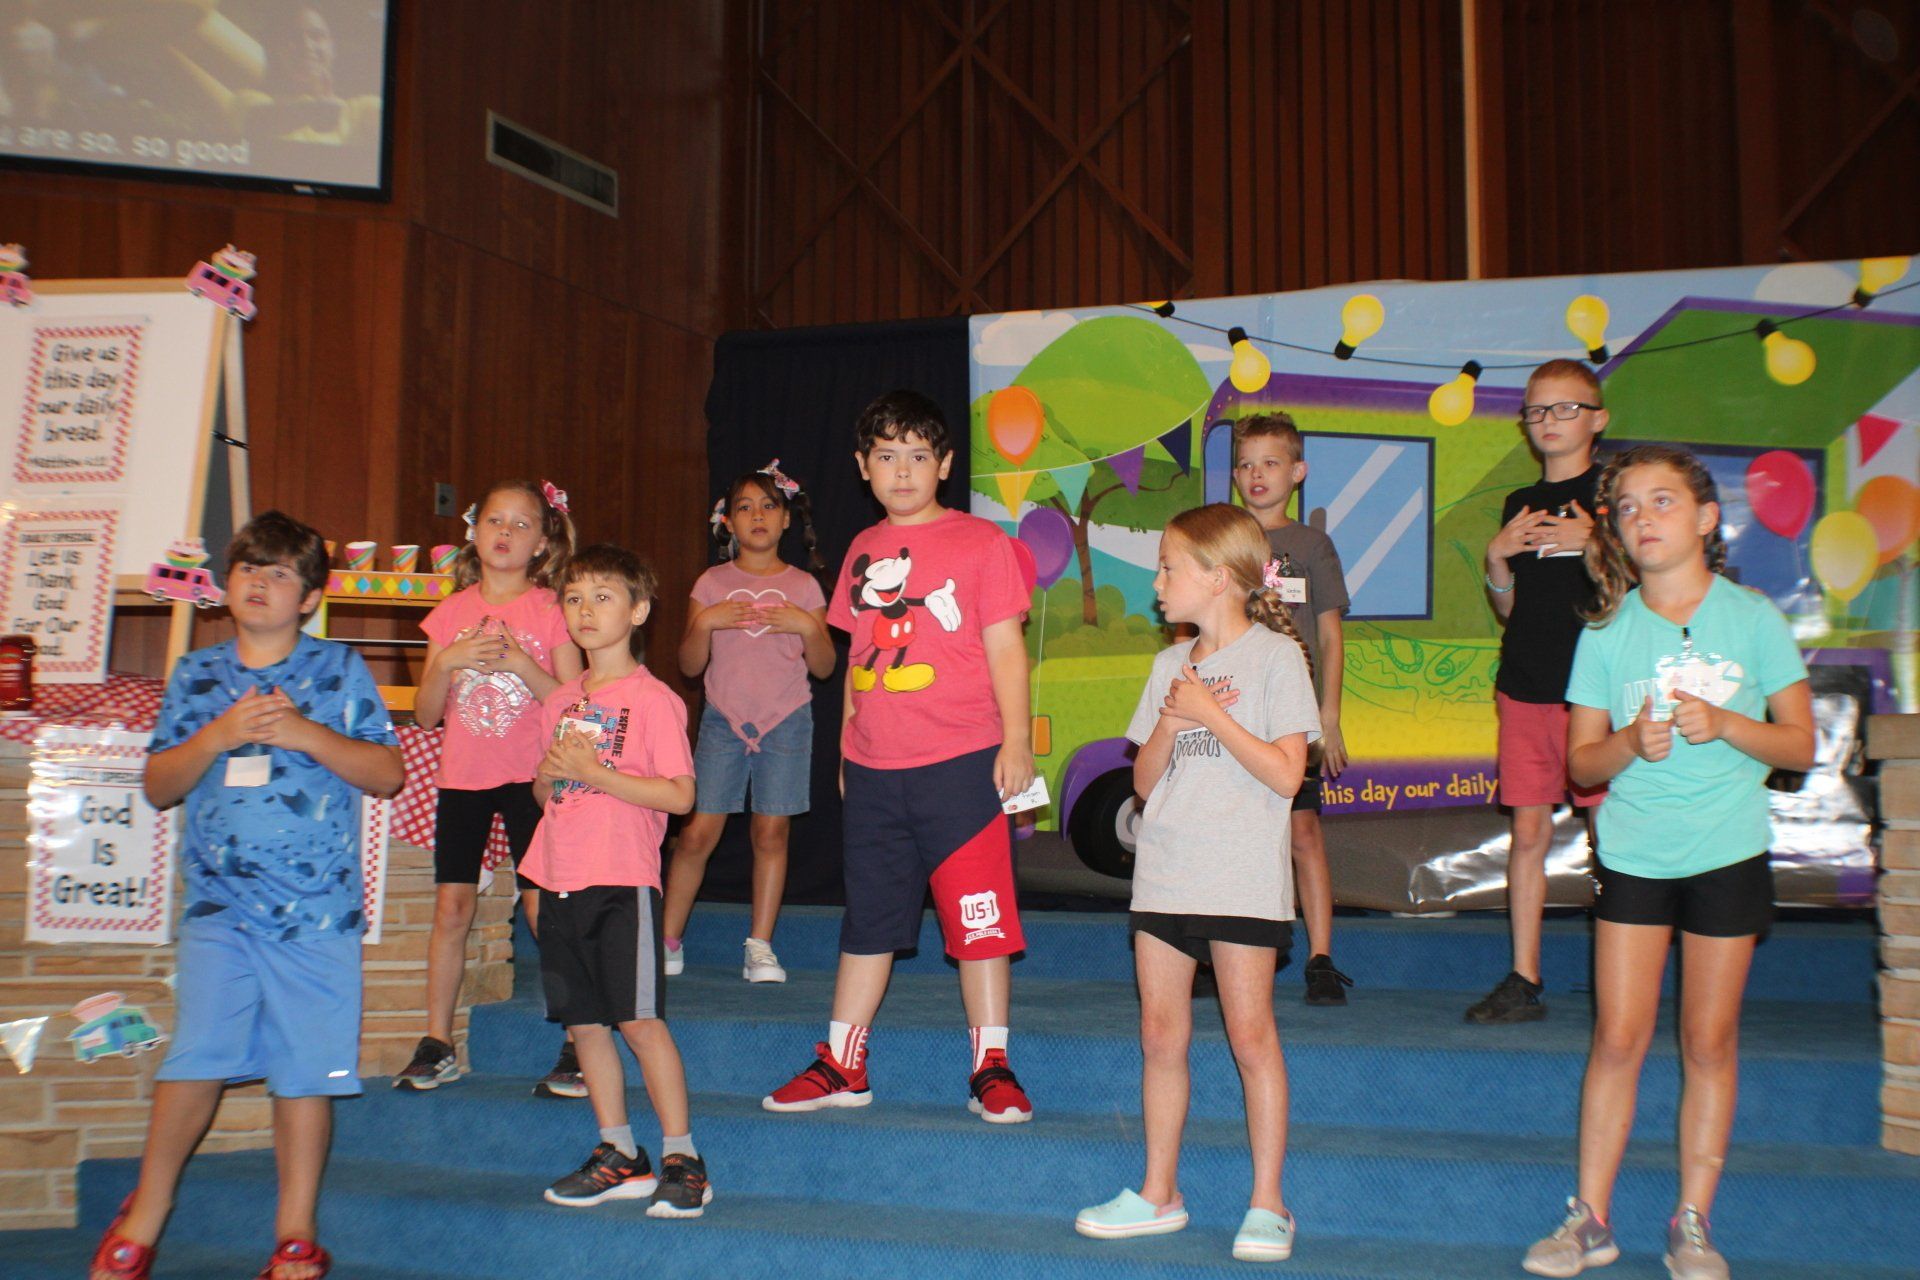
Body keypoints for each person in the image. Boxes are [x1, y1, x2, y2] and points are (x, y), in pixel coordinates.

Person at [1522, 445, 1813, 1279]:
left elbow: (1801, 743)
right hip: (1635, 859)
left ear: (1709, 519)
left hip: (1728, 855)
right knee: (1618, 1036)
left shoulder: (1754, 618)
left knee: (1708, 1039)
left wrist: (1724, 724)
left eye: (1663, 501)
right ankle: (1590, 1219)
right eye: (1628, 506)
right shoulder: (1609, 631)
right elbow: (1580, 765)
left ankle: (1692, 1224)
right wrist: (1626, 742)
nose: (1643, 517)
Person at [93, 512, 404, 1280]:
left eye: (280, 573)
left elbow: (387, 774)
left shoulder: (338, 670)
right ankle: (144, 1216)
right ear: (227, 582)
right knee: (194, 1059)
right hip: (219, 913)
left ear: (308, 598)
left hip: (316, 914)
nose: (260, 583)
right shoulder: (198, 675)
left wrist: (306, 734)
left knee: (305, 1072)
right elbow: (159, 786)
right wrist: (218, 736)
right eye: (248, 568)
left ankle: (295, 1235)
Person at [762, 389, 1037, 1123]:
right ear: (863, 466)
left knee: (978, 923)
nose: (903, 470)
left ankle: (992, 1065)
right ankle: (843, 1062)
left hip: (964, 764)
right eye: (887, 456)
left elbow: (1006, 648)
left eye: (919, 456)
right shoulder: (860, 549)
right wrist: (852, 747)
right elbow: (858, 657)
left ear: (944, 464)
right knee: (871, 920)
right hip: (878, 769)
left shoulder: (983, 544)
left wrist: (1016, 742)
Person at [1075, 503, 1320, 1262]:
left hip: (1241, 878)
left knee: (1251, 1038)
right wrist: (1173, 727)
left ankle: (1269, 1202)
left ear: (1217, 579)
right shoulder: (1165, 666)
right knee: (1160, 1035)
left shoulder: (1278, 658)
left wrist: (1212, 714)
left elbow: (1286, 774)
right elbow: (1144, 782)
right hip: (1166, 874)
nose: (1156, 583)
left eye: (1168, 568)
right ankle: (1158, 1192)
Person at [523, 545, 710, 1217]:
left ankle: (683, 1158)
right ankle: (618, 1152)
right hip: (559, 877)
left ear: (637, 611)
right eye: (574, 598)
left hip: (622, 881)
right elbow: (548, 794)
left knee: (638, 1021)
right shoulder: (562, 701)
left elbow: (681, 796)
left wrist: (597, 772)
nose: (586, 610)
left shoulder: (654, 701)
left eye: (603, 597)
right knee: (586, 1025)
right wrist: (551, 774)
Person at [395, 480, 583, 1097]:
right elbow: (425, 717)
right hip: (464, 779)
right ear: (474, 533)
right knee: (452, 906)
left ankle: (579, 1040)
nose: (505, 532)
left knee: (542, 906)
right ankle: (437, 1040)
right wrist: (446, 662)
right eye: (494, 521)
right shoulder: (449, 614)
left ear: (541, 541)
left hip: (531, 780)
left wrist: (521, 665)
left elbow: (574, 704)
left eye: (521, 524)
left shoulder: (551, 609)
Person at [1469, 359, 1608, 1024]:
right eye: (1536, 410)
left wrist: (1599, 542)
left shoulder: (1616, 494)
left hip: (1597, 695)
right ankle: (1524, 977)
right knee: (1528, 832)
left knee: (1611, 835)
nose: (1548, 421)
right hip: (1524, 687)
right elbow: (1509, 609)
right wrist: (1496, 562)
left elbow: (1646, 594)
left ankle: (1620, 971)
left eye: (1563, 408)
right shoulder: (1517, 505)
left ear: (1597, 418)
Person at [663, 461, 833, 983]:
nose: (757, 515)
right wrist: (706, 621)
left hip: (786, 721)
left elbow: (825, 667)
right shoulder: (712, 582)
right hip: (723, 722)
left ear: (786, 520)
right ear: (727, 524)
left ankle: (759, 945)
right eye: (744, 507)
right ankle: (666, 939)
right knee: (697, 834)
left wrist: (807, 626)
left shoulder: (804, 586)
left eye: (768, 506)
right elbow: (690, 665)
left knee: (771, 832)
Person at [1230, 413, 1353, 1005]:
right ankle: (1219, 948)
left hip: (1290, 717)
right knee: (1232, 833)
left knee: (1302, 830)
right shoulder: (1223, 539)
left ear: (1297, 472)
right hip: (1231, 714)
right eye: (1247, 464)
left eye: (1270, 462)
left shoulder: (1311, 545)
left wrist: (1326, 717)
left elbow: (1329, 636)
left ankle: (1322, 957)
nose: (1257, 474)